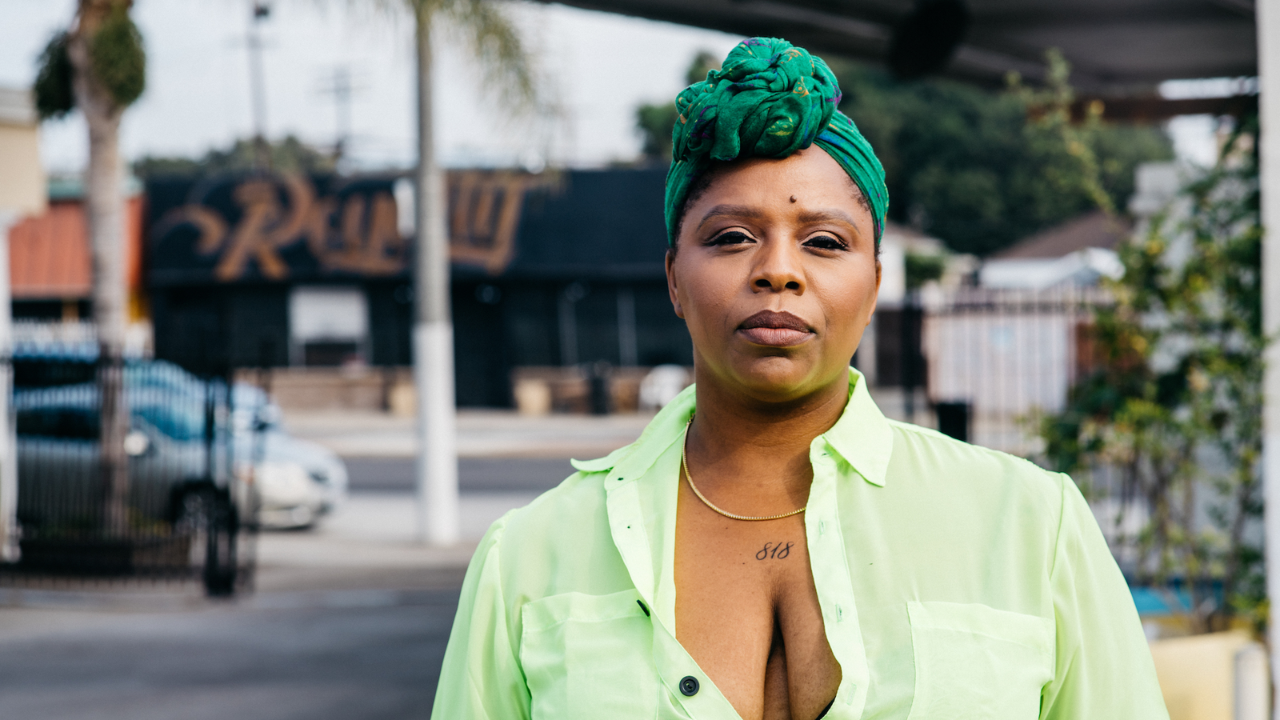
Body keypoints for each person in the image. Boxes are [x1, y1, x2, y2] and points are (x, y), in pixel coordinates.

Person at [431, 37, 1169, 720]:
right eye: (731, 237)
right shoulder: (529, 557)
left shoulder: (1032, 526)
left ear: (873, 284)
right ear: (674, 279)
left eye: (823, 241)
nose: (778, 270)